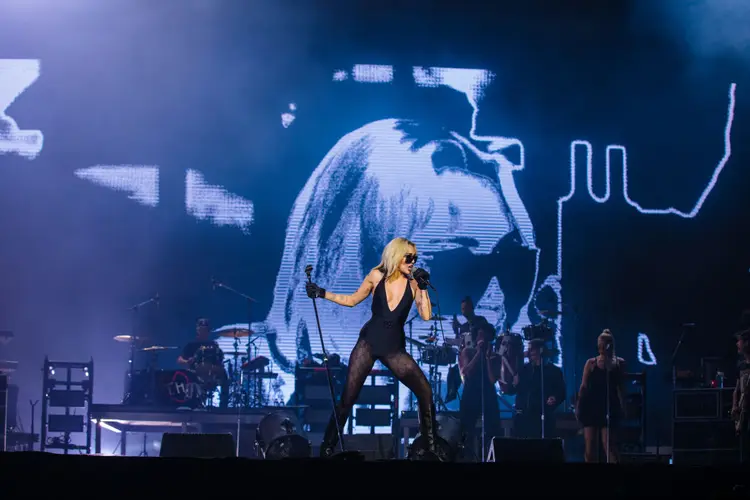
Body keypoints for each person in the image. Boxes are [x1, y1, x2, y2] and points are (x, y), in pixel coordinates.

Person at [305, 237, 439, 458]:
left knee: (424, 391)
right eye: (409, 257)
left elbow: (426, 316)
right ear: (396, 256)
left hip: (394, 348)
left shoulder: (414, 282)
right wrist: (322, 293)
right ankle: (327, 447)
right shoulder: (377, 276)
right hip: (369, 342)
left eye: (415, 258)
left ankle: (430, 450)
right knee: (348, 396)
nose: (413, 262)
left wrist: (423, 288)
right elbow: (352, 300)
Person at [576, 329, 626, 463]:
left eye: (604, 345)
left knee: (609, 445)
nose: (601, 348)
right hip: (591, 406)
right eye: (599, 344)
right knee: (590, 448)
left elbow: (621, 387)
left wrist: (623, 406)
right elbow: (584, 386)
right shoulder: (591, 363)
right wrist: (578, 406)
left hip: (609, 406)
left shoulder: (619, 363)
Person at [458, 322, 502, 456]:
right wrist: (478, 353)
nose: (482, 338)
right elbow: (466, 372)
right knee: (466, 428)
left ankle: (491, 454)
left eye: (485, 335)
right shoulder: (468, 351)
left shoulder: (495, 356)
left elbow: (492, 379)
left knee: (492, 427)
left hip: (487, 392)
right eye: (480, 335)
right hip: (471, 392)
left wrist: (488, 358)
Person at [508, 338, 566, 439]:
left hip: (542, 416)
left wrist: (554, 398)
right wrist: (514, 384)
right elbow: (512, 390)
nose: (529, 352)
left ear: (541, 350)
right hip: (523, 416)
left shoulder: (553, 371)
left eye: (532, 349)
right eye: (529, 349)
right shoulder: (524, 369)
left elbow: (561, 391)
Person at [177, 318, 228, 407]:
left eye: (205, 330)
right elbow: (179, 360)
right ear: (198, 330)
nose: (203, 332)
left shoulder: (213, 344)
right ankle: (191, 403)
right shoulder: (191, 345)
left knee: (224, 375)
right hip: (195, 372)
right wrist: (187, 361)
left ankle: (223, 405)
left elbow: (219, 360)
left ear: (208, 331)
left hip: (212, 372)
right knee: (188, 375)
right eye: (201, 329)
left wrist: (217, 367)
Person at [731, 329, 750, 464]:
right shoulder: (741, 365)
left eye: (740, 341)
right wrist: (735, 405)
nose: (737, 343)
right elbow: (737, 389)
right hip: (744, 411)